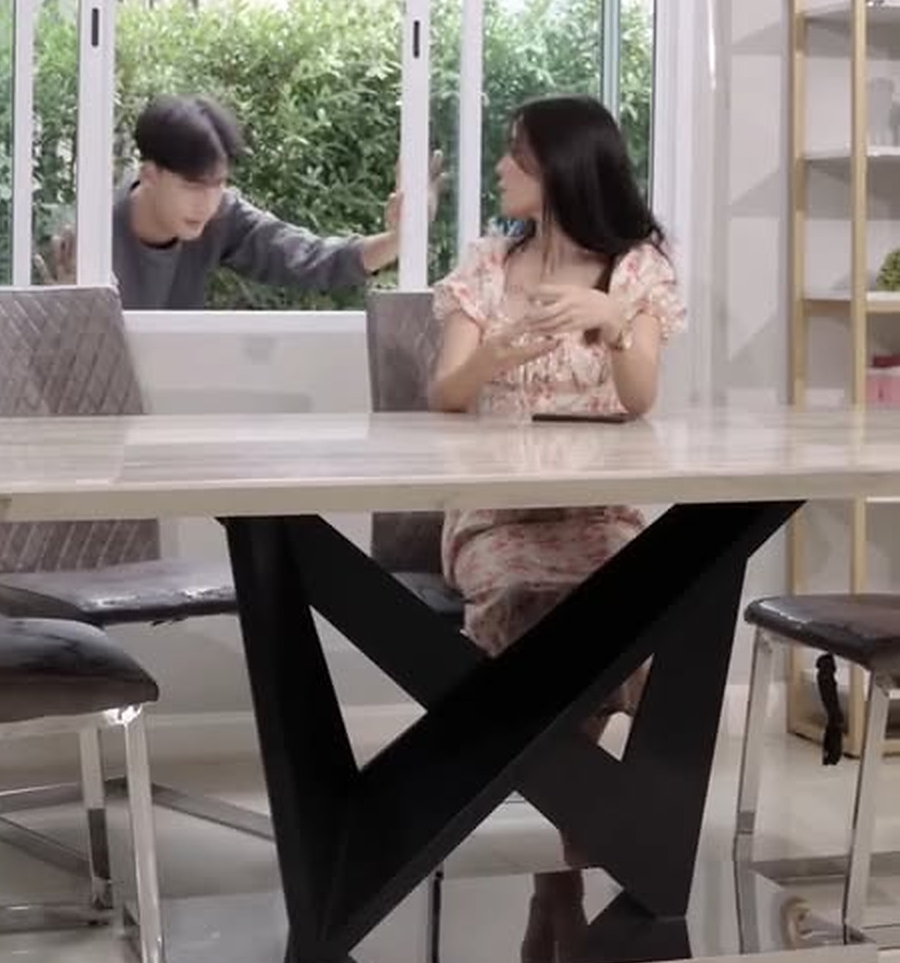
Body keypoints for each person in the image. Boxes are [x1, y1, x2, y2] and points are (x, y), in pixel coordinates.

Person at [430, 93, 685, 704]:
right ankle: (547, 751)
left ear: (561, 168)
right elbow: (445, 395)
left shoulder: (636, 271)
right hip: (495, 516)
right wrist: (493, 356)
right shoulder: (488, 266)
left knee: (637, 601)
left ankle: (565, 757)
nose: (500, 167)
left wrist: (614, 322)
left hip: (599, 514)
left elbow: (639, 399)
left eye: (515, 154)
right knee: (523, 598)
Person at [40, 93, 442, 310]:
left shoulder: (221, 215)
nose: (207, 203)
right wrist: (65, 310)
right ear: (150, 174)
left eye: (217, 184)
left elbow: (309, 258)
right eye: (193, 185)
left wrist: (399, 239)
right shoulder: (86, 241)